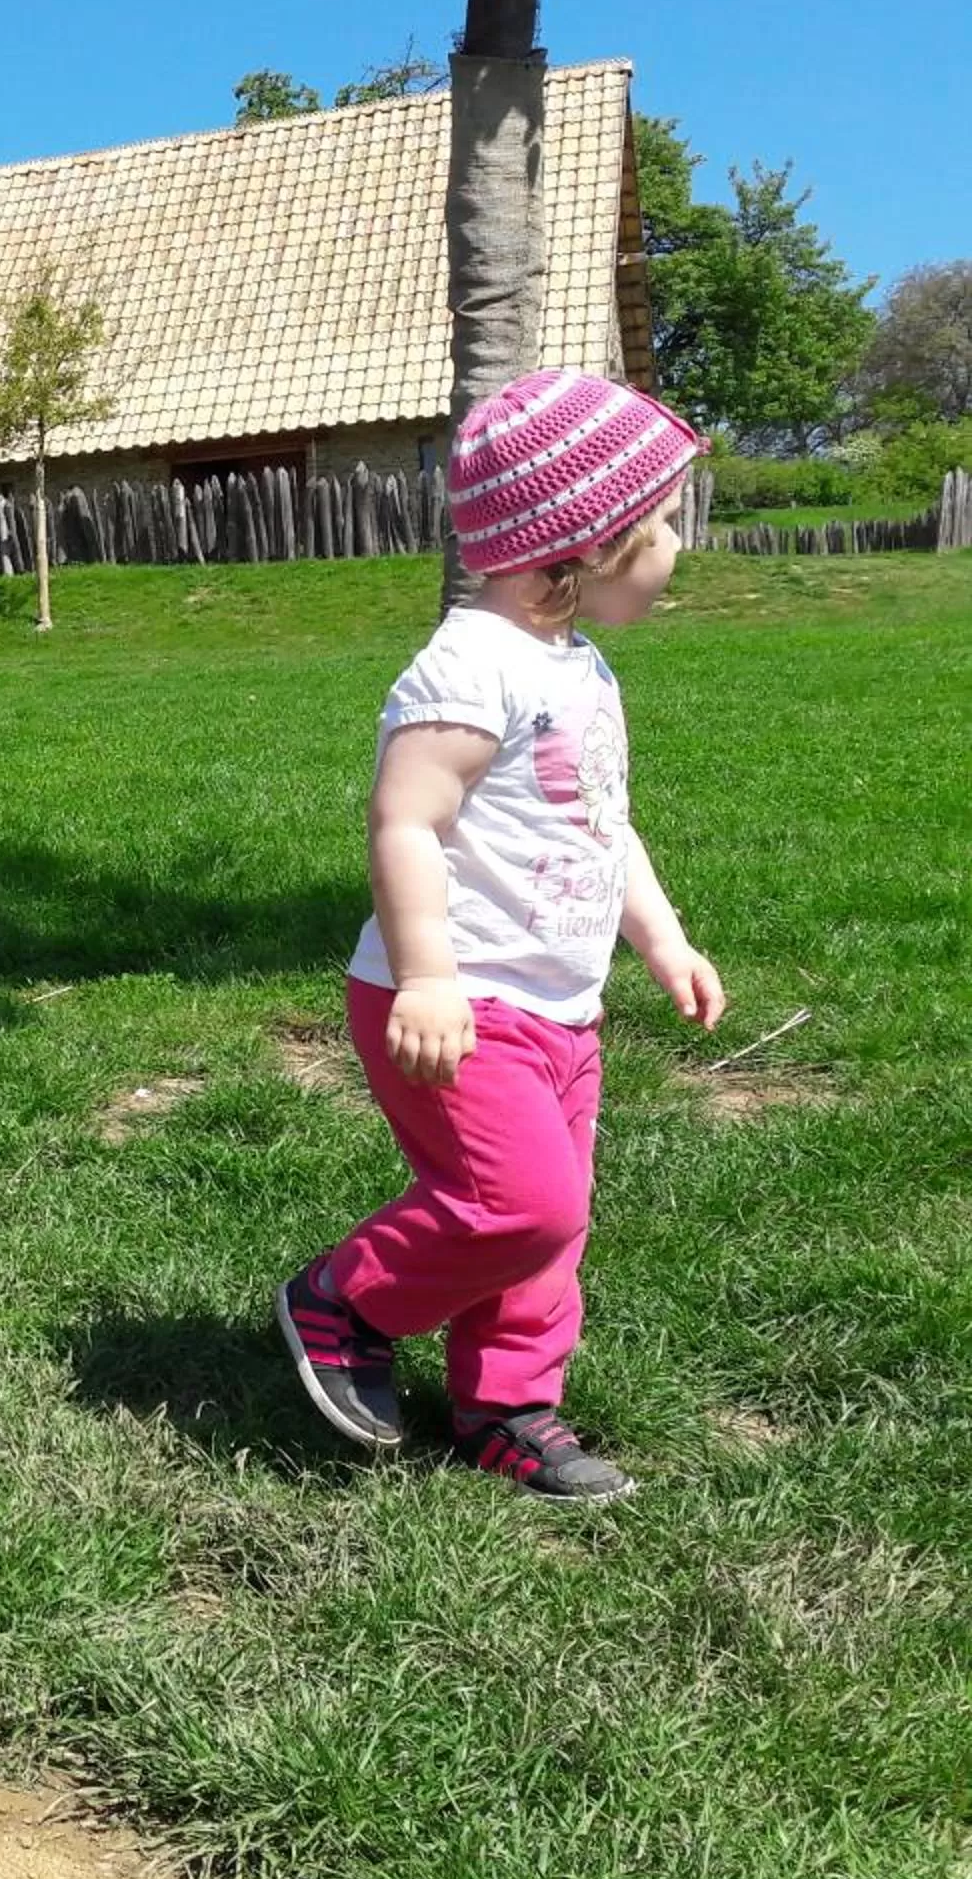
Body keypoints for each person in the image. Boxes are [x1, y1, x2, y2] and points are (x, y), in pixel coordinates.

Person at [276, 370, 724, 1504]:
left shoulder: (577, 665)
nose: (677, 546)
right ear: (573, 548)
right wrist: (429, 976)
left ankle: (507, 1406)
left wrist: (661, 941)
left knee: (547, 1227)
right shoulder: (470, 664)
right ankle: (345, 1297)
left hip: (561, 1004)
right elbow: (405, 820)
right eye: (660, 524)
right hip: (454, 1002)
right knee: (524, 1202)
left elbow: (603, 825)